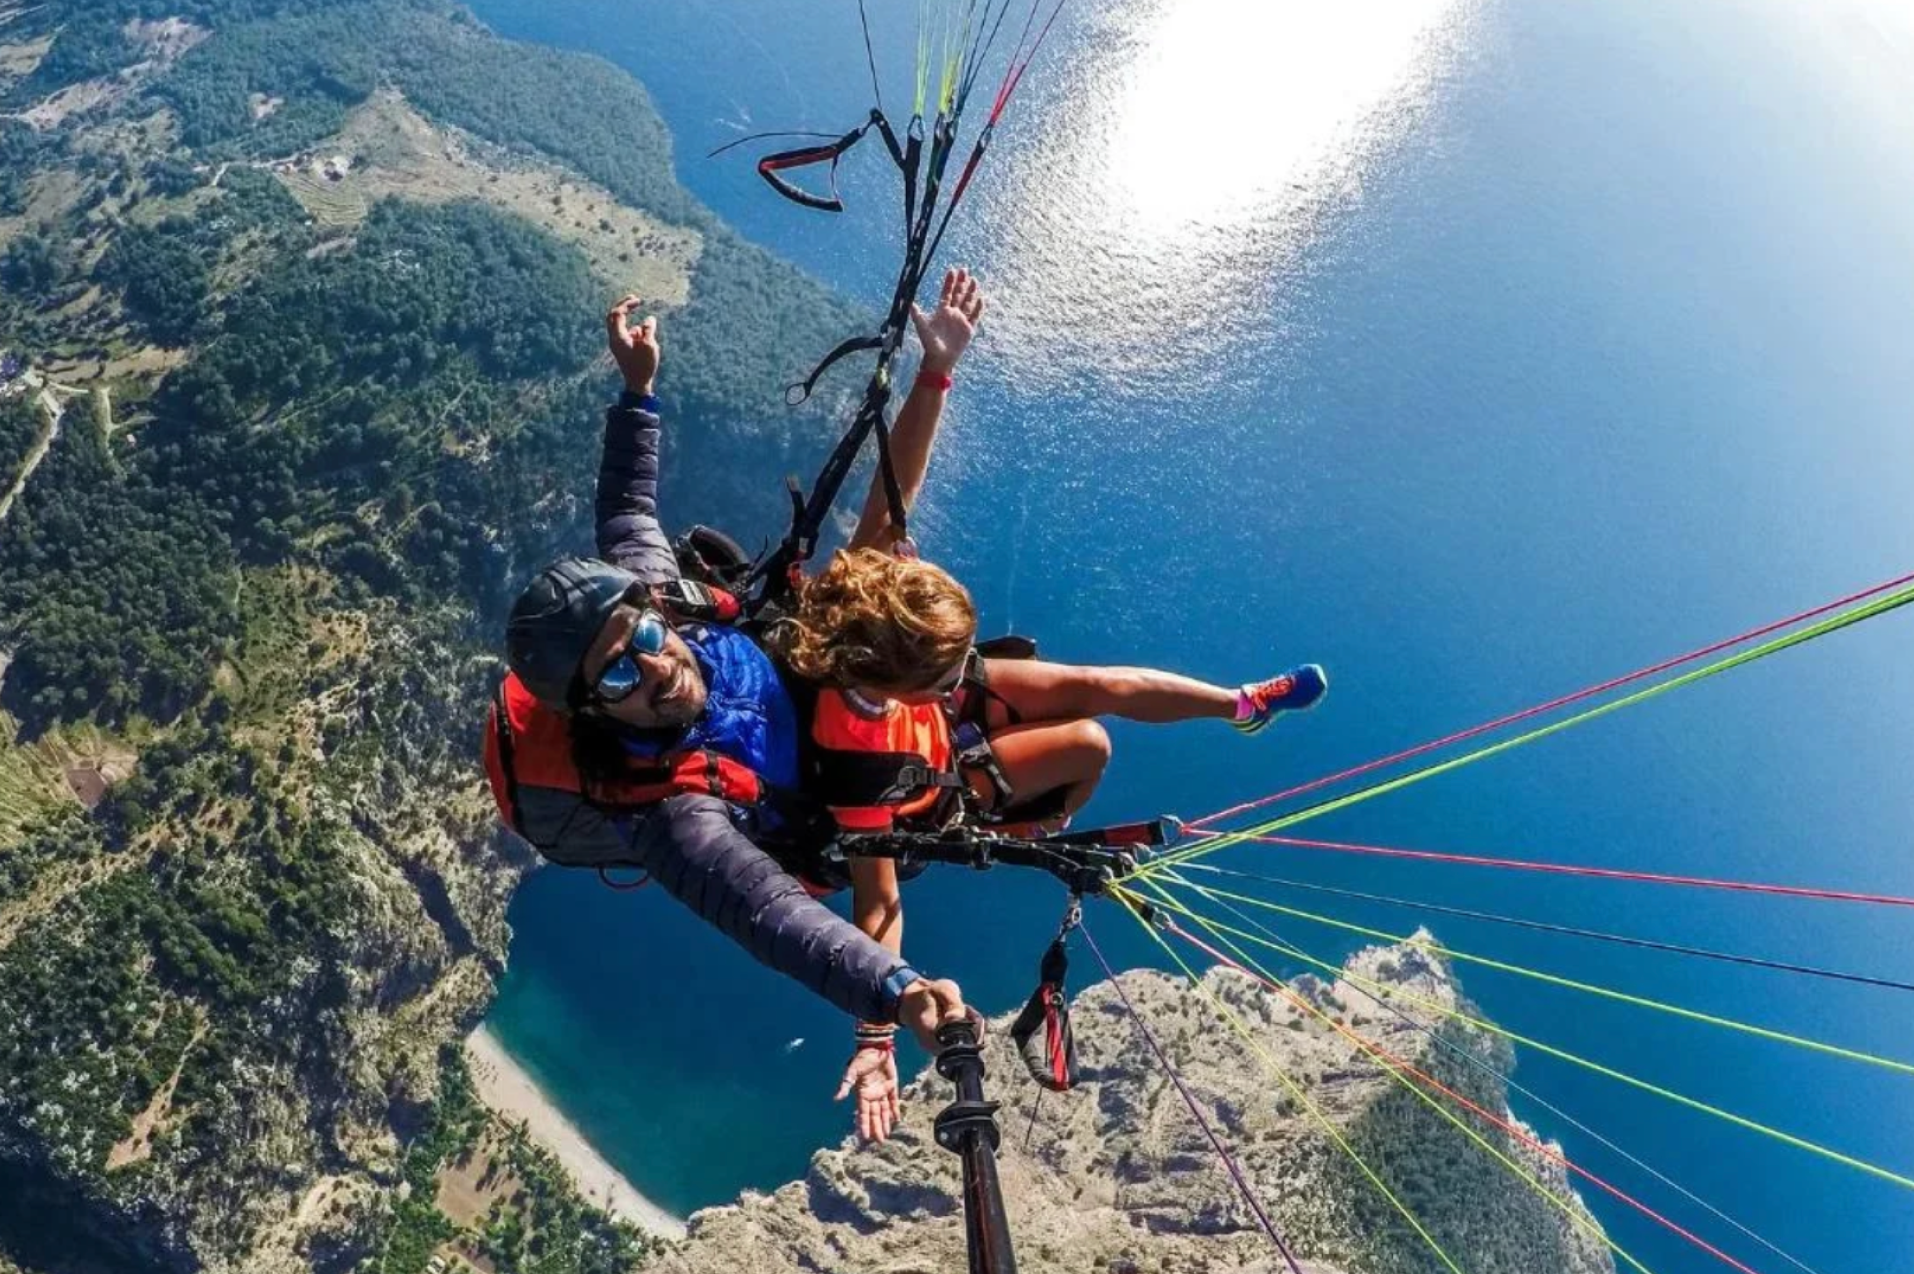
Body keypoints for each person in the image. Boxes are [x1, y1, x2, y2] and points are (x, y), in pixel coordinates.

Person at [484, 274, 989, 1142]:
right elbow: (773, 919)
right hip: (813, 794)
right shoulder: (676, 820)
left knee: (869, 570)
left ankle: (935, 373)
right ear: (592, 713)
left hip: (783, 694)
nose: (652, 668)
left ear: (647, 611)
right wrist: (898, 995)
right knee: (999, 752)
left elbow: (627, 510)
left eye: (642, 637)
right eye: (616, 680)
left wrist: (636, 391)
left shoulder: (657, 599)